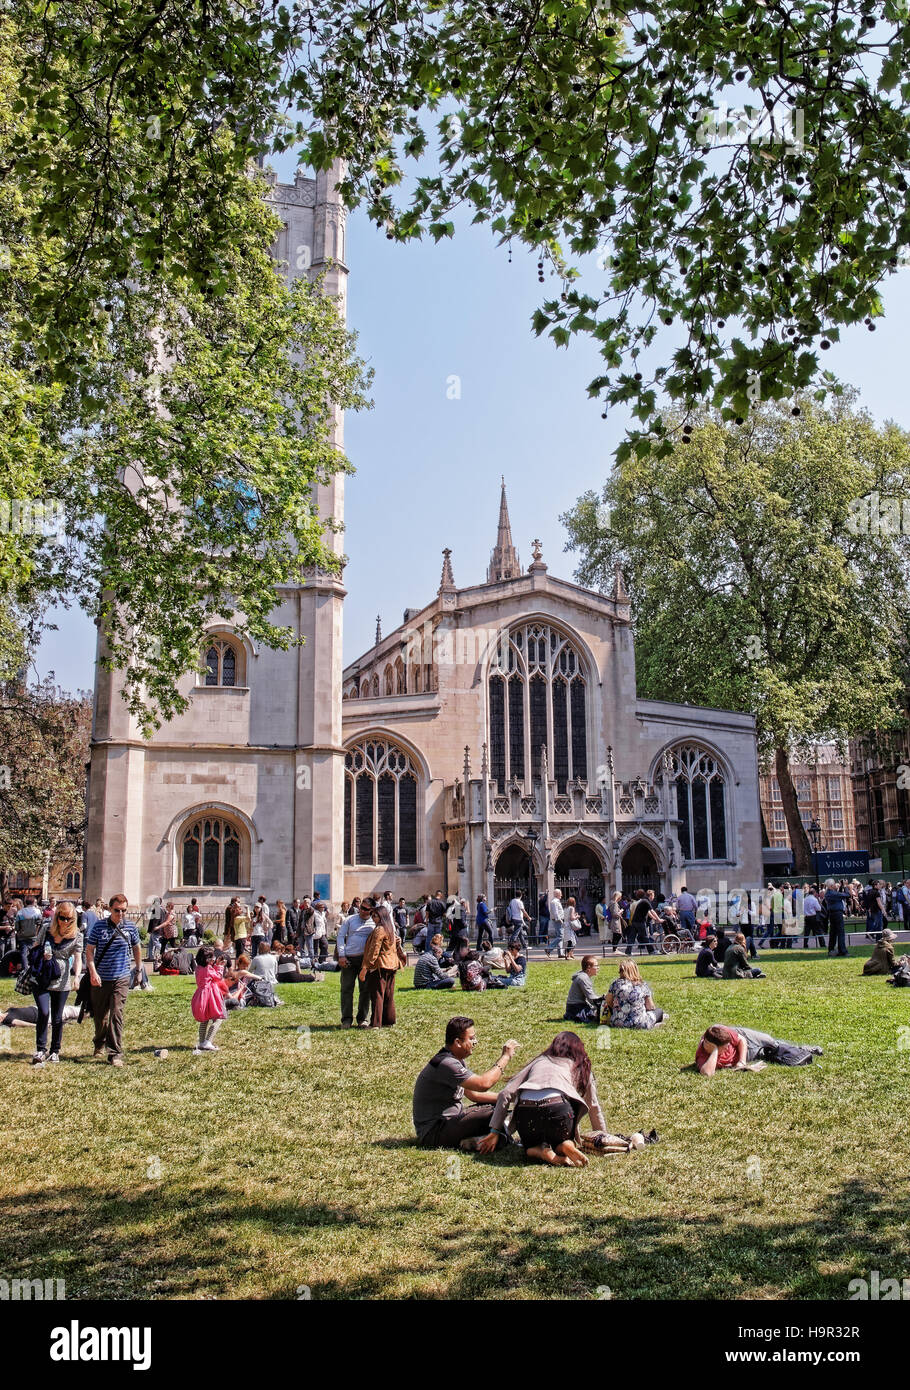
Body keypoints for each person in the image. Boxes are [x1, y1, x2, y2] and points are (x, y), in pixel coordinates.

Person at [476, 1031, 607, 1167]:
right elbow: (593, 1105)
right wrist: (602, 1137)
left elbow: (505, 1093)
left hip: (527, 1115)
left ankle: (540, 1151)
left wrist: (495, 1130)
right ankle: (564, 1145)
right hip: (558, 1112)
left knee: (529, 1148)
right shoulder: (580, 1065)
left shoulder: (540, 1061)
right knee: (564, 1128)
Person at [412, 1017, 519, 1149]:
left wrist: (512, 1099)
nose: (475, 1042)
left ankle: (487, 1138)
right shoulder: (447, 1064)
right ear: (457, 1042)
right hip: (434, 1132)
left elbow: (474, 1095)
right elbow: (483, 1084)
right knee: (491, 1113)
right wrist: (505, 1057)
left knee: (493, 1109)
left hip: (447, 1124)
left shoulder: (455, 1060)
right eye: (471, 1038)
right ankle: (497, 1134)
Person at [84, 894, 142, 1067]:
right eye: (117, 910)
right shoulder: (99, 927)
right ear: (110, 909)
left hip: (121, 977)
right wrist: (93, 973)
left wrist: (138, 969)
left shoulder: (130, 928)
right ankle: (99, 1043)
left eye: (124, 910)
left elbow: (137, 948)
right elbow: (89, 951)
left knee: (116, 1014)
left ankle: (115, 1053)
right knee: (100, 1016)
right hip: (101, 978)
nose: (121, 913)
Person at [29, 900, 83, 1066]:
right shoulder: (46, 929)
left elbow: (79, 958)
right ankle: (40, 1049)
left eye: (69, 919)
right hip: (42, 976)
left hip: (61, 979)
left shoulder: (77, 936)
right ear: (56, 916)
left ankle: (54, 1051)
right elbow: (35, 946)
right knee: (44, 1012)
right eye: (61, 917)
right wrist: (40, 954)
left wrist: (77, 976)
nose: (65, 922)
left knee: (58, 1017)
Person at [695, 1023, 823, 1076]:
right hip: (751, 1054)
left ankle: (804, 1049)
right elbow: (707, 1074)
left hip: (745, 1038)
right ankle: (799, 1051)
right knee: (766, 1053)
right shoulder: (703, 1054)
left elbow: (741, 1041)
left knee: (771, 1042)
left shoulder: (719, 1030)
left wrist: (742, 1062)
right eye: (725, 1047)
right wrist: (715, 1051)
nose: (728, 1048)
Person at [359, 905, 407, 1028]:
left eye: (375, 916)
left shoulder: (379, 929)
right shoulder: (390, 928)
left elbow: (374, 950)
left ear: (382, 916)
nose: (373, 918)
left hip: (380, 966)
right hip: (392, 965)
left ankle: (376, 1023)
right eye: (372, 916)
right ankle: (388, 1021)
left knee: (377, 995)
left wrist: (365, 968)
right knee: (388, 995)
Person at [336, 899, 375, 1028]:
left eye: (366, 909)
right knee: (346, 989)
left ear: (372, 910)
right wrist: (341, 955)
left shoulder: (374, 922)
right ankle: (346, 1019)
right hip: (349, 958)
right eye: (361, 907)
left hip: (365, 960)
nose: (362, 911)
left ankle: (362, 1019)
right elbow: (341, 936)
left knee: (365, 990)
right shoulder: (350, 919)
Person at [605, 957, 666, 1028]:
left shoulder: (615, 984)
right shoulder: (642, 985)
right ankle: (656, 1023)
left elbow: (608, 1001)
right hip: (639, 1023)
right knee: (659, 1011)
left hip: (617, 1022)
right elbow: (650, 1007)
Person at [191, 944, 228, 1053]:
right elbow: (218, 977)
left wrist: (214, 965)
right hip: (210, 995)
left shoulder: (198, 968)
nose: (213, 959)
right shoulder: (208, 968)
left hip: (201, 995)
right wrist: (220, 966)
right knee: (218, 1018)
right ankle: (208, 1041)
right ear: (206, 959)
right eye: (211, 957)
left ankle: (202, 1041)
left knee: (205, 1019)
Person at [563, 956, 606, 1023]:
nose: (598, 967)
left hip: (573, 1007)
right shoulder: (583, 978)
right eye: (596, 966)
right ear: (589, 967)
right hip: (576, 1008)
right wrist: (604, 1001)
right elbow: (592, 999)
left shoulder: (583, 976)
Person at [625, 890, 658, 956]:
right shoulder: (646, 901)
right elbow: (652, 911)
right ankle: (651, 951)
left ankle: (628, 951)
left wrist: (655, 918)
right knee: (645, 937)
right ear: (651, 895)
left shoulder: (643, 901)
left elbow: (648, 913)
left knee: (632, 937)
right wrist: (659, 919)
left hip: (634, 921)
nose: (653, 897)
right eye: (653, 896)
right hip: (640, 922)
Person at [823, 878, 850, 957]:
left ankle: (831, 950)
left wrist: (841, 886)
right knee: (840, 932)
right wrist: (844, 886)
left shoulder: (829, 893)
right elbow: (847, 895)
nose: (836, 885)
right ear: (831, 886)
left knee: (833, 933)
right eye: (835, 884)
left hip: (832, 914)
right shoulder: (833, 894)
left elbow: (840, 894)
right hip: (837, 914)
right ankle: (842, 950)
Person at [546, 889, 565, 959]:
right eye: (560, 894)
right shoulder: (554, 902)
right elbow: (555, 912)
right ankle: (549, 948)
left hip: (558, 920)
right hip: (558, 920)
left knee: (559, 936)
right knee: (560, 936)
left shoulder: (556, 901)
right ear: (557, 894)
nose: (561, 895)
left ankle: (560, 953)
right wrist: (560, 920)